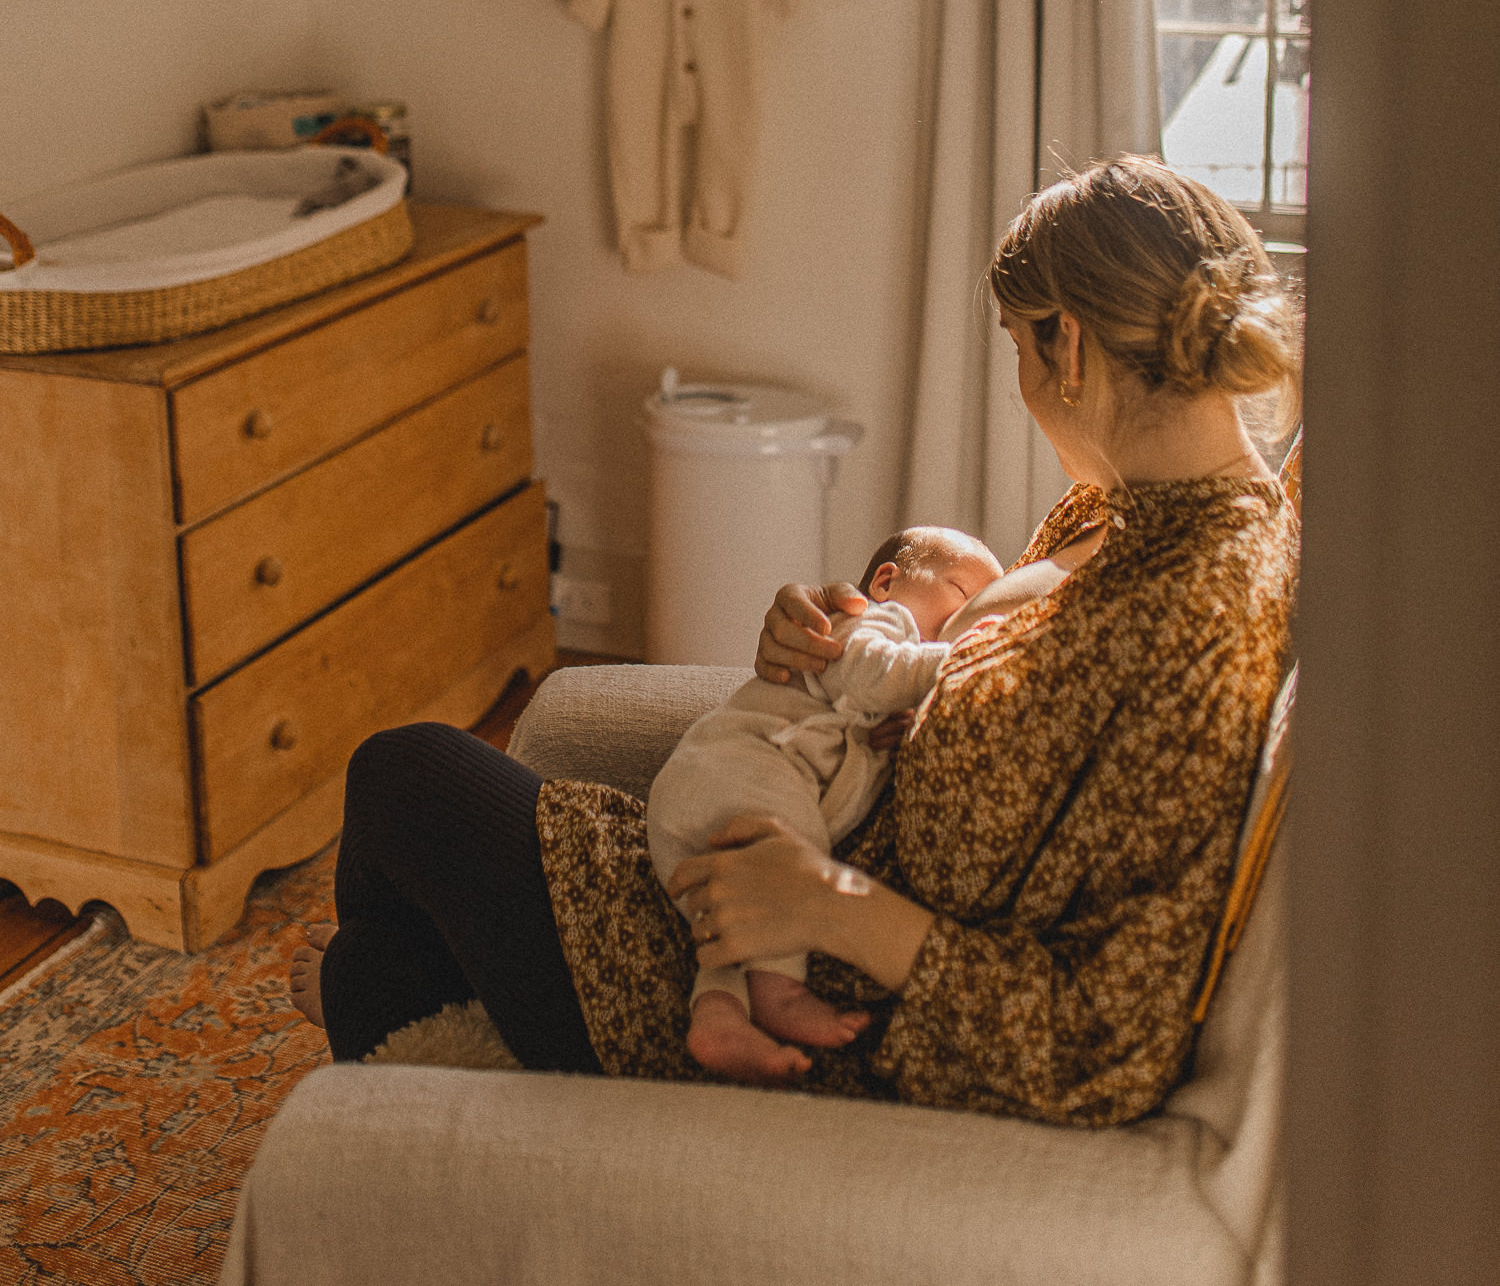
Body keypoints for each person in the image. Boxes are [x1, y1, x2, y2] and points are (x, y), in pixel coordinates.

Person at [291, 155, 1298, 1127]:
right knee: (372, 964)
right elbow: (1006, 679)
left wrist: (832, 905)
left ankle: (393, 1119)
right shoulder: (1135, 512)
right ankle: (382, 1111)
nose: (1023, 389)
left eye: (1017, 350)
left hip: (823, 991)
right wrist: (841, 642)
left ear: (1067, 347)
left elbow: (1106, 1046)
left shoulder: (1194, 620)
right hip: (802, 853)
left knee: (404, 775)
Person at [647, 526, 1017, 1082]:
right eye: (963, 596)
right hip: (738, 768)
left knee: (725, 921)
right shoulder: (868, 622)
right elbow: (876, 678)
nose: (963, 620)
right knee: (785, 855)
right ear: (888, 581)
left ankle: (718, 1015)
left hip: (700, 808)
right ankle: (781, 993)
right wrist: (970, 657)